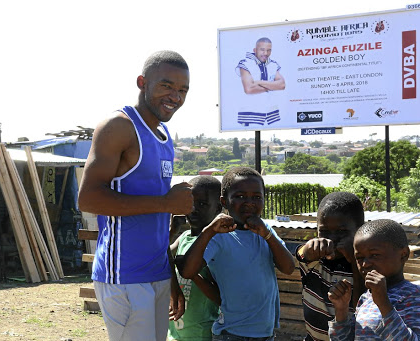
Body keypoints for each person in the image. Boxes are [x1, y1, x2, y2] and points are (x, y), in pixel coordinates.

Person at [77, 50, 194, 341]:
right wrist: (167, 203)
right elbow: (88, 198)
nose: (175, 97)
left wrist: (170, 278)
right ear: (142, 82)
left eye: (183, 90)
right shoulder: (119, 127)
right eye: (166, 86)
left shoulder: (164, 137)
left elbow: (156, 223)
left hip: (156, 274)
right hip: (124, 277)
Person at [180, 167, 295, 340]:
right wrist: (209, 231)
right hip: (231, 334)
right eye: (240, 196)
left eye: (257, 197)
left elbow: (288, 267)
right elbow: (188, 271)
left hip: (266, 334)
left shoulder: (265, 231)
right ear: (224, 202)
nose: (249, 202)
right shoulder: (220, 236)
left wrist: (267, 235)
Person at [328, 219, 420, 340]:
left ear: (403, 254)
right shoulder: (366, 298)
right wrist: (341, 310)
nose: (365, 264)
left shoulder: (416, 297)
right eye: (359, 257)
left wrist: (383, 303)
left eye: (374, 255)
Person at [295, 191, 365, 341]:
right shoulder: (315, 260)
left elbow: (364, 305)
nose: (332, 238)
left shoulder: (365, 266)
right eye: (324, 231)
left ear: (359, 230)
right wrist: (309, 248)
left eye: (342, 231)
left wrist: (354, 261)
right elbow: (301, 254)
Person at [168, 175, 222, 341]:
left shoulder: (217, 243)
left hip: (200, 333)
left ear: (218, 209)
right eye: (191, 202)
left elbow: (220, 298)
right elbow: (161, 255)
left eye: (202, 204)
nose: (194, 209)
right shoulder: (184, 237)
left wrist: (192, 274)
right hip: (175, 331)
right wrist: (171, 231)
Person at [236, 37, 285, 127]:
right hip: (249, 115)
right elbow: (249, 89)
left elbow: (282, 85)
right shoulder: (245, 63)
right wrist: (272, 86)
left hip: (272, 114)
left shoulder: (273, 64)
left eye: (269, 50)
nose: (266, 53)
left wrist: (258, 82)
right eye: (262, 50)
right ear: (255, 50)